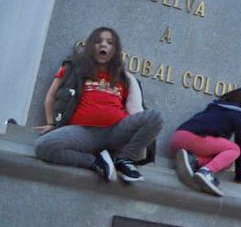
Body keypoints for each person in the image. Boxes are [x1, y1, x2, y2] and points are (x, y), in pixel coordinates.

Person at [36, 26, 163, 183]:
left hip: (117, 131)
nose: (103, 45)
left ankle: (123, 160)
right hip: (84, 132)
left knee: (155, 117)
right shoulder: (73, 68)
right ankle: (96, 162)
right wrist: (51, 123)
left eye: (109, 42)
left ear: (115, 50)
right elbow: (51, 96)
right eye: (98, 41)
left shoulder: (123, 77)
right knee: (44, 146)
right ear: (91, 46)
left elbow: (134, 109)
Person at [171, 87, 241, 197]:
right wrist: (240, 178)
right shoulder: (239, 115)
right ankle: (205, 172)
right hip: (194, 139)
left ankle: (194, 161)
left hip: (177, 137)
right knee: (234, 149)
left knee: (227, 162)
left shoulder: (215, 106)